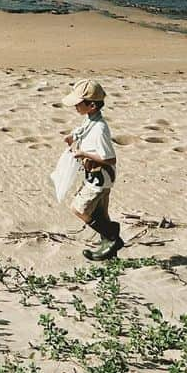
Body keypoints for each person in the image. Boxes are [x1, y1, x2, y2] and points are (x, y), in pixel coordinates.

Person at [62, 78, 123, 260]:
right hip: (98, 177)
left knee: (78, 209)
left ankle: (113, 238)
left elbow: (110, 158)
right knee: (99, 213)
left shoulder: (100, 129)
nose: (76, 107)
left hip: (100, 178)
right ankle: (110, 250)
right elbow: (82, 130)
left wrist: (84, 154)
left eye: (79, 104)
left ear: (92, 106)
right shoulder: (91, 120)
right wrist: (73, 136)